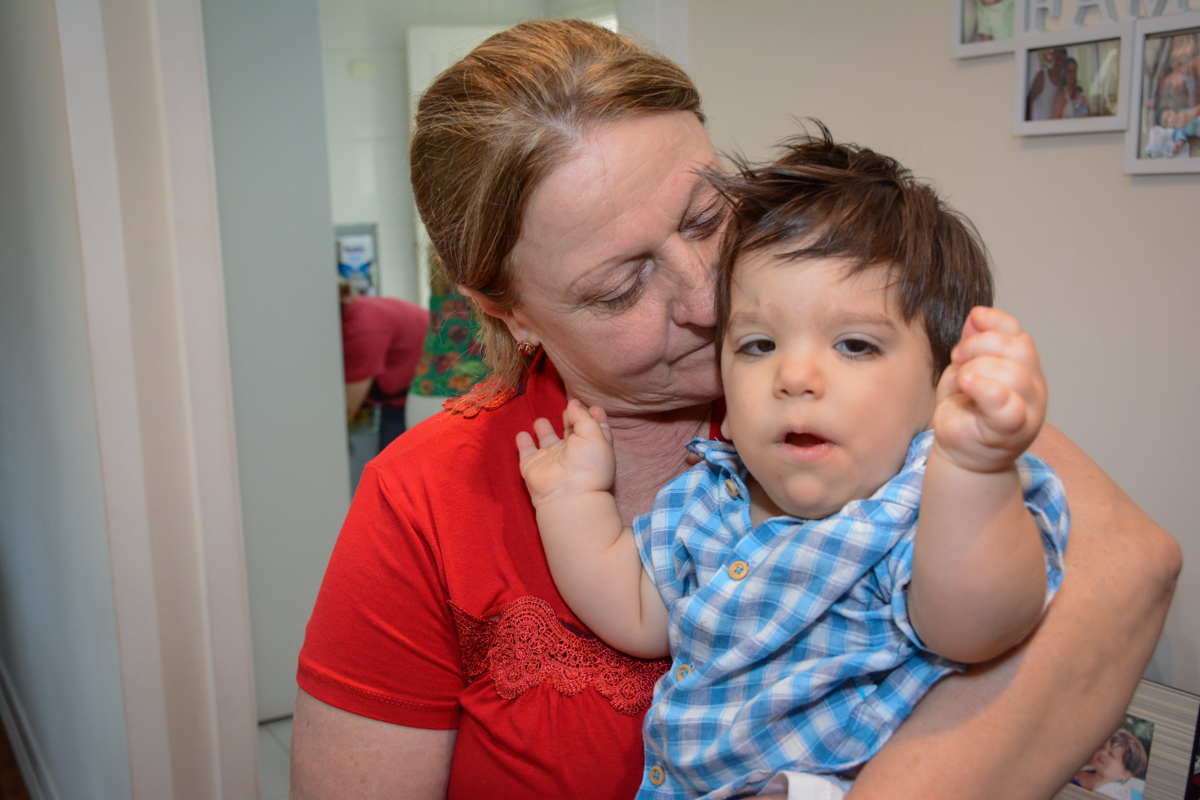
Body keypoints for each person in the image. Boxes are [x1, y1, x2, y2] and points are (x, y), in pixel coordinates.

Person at [290, 20, 1181, 800]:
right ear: (508, 311)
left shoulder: (850, 385)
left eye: (707, 216)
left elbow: (1131, 563)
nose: (707, 299)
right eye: (619, 287)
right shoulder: (424, 501)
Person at [516, 132, 1068, 799]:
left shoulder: (922, 502)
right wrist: (571, 500)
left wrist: (976, 468)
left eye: (855, 345)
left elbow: (976, 626)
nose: (795, 376)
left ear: (941, 384)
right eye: (758, 345)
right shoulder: (708, 498)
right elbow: (635, 613)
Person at [338, 280, 431, 449]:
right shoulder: (360, 311)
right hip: (404, 392)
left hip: (419, 394)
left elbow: (347, 409)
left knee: (395, 459)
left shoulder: (362, 326)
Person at [1074, 730, 1149, 800]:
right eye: (1103, 748)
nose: (1103, 753)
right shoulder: (1081, 767)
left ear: (1125, 774)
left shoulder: (1111, 796)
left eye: (1111, 755)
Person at [1026, 47, 1068, 121]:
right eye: (1057, 59)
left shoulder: (1064, 81)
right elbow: (1028, 102)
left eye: (1062, 61)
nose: (1059, 63)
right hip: (1039, 126)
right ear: (1052, 57)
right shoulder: (1041, 77)